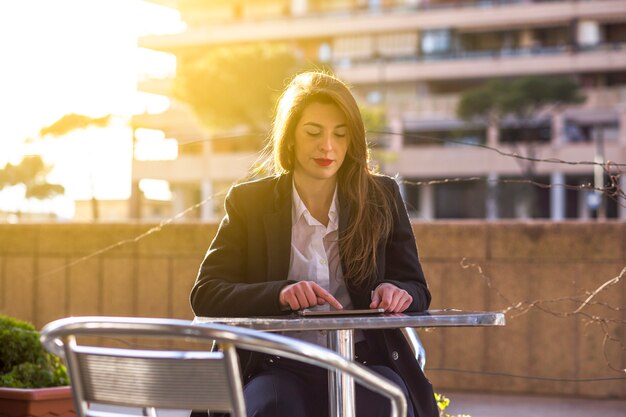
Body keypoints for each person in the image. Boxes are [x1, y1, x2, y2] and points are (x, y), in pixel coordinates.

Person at [190, 71, 438, 417]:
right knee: (270, 408)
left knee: (385, 407)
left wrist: (399, 291)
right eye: (313, 133)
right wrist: (279, 294)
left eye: (340, 134)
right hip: (276, 365)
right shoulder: (251, 202)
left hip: (364, 364)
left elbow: (418, 289)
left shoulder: (381, 197)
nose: (328, 146)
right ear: (290, 137)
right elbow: (206, 294)